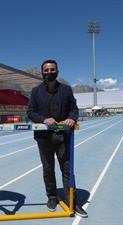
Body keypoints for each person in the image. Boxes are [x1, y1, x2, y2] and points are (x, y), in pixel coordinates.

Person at [26, 60, 88, 218]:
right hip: (44, 138)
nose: (49, 72)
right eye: (46, 70)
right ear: (42, 73)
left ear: (57, 71)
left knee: (67, 169)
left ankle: (72, 201)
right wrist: (43, 119)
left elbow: (74, 109)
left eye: (52, 70)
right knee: (48, 169)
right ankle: (52, 197)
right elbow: (30, 112)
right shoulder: (35, 91)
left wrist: (71, 119)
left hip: (63, 137)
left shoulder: (66, 90)